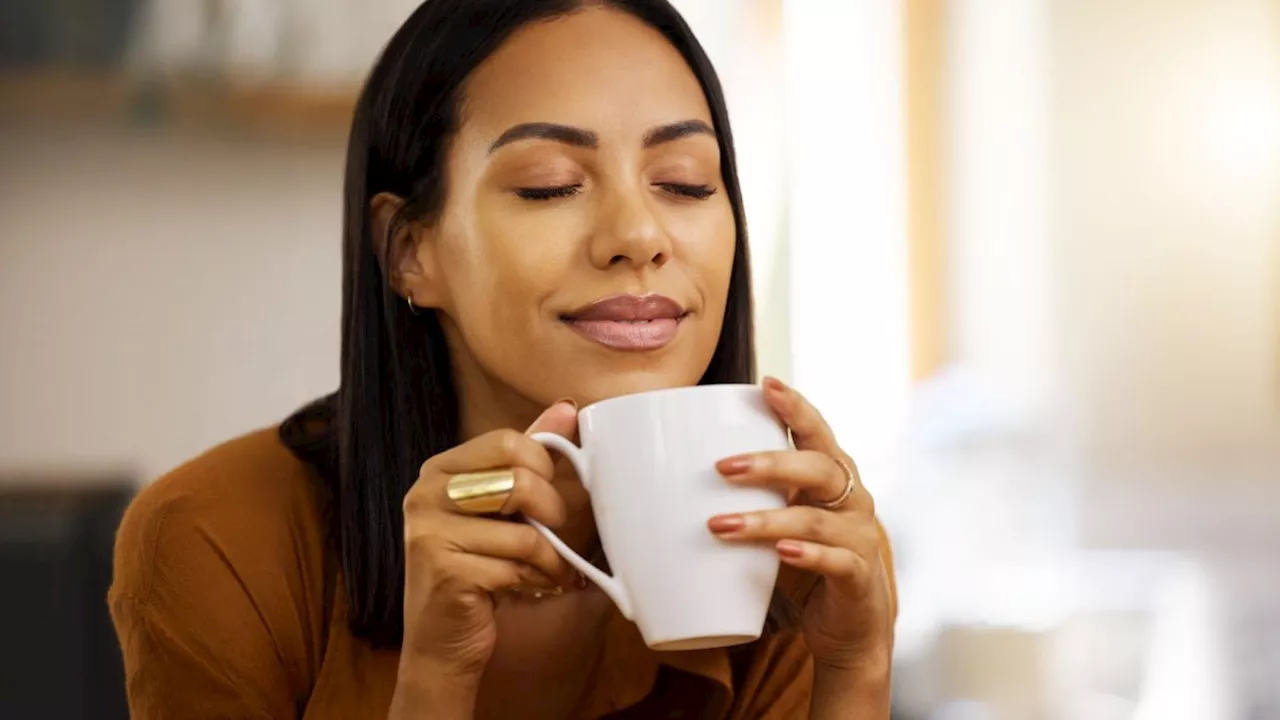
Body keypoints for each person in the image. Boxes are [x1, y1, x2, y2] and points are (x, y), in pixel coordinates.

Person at [108, 1, 897, 717]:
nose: (639, 237)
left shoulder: (784, 546)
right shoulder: (218, 541)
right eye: (551, 186)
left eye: (684, 183)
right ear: (409, 251)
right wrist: (435, 680)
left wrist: (854, 671)